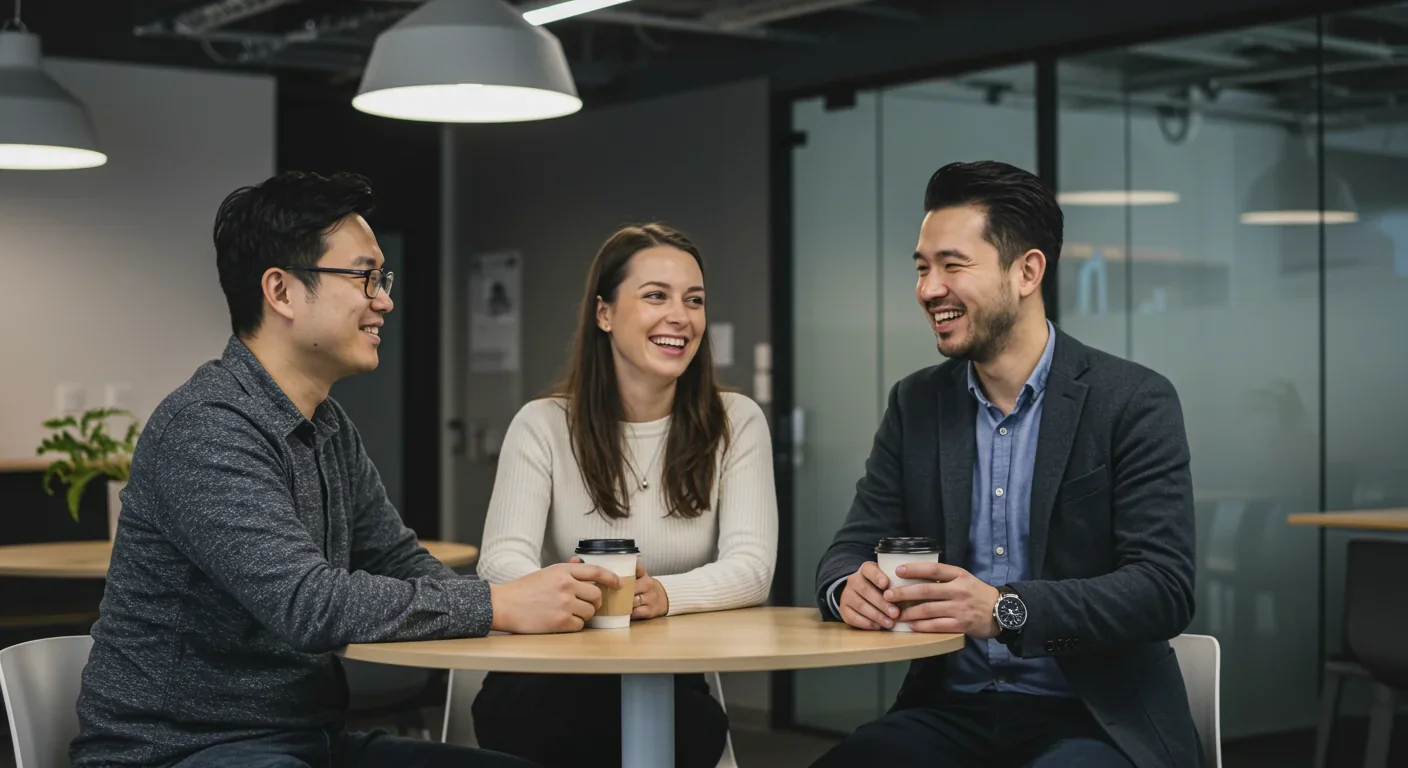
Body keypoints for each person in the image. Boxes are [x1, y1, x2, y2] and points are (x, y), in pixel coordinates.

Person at [71, 171, 620, 768]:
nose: (384, 299)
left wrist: (548, 596)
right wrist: (497, 605)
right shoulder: (206, 426)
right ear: (280, 291)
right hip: (180, 750)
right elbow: (308, 604)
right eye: (363, 277)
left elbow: (396, 559)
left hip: (313, 743)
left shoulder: (328, 426)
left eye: (381, 278)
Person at [810, 161, 1200, 768]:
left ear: (1027, 271)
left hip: (1094, 719)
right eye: (921, 267)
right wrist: (846, 590)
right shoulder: (917, 403)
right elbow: (849, 549)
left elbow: (1163, 590)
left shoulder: (1132, 400)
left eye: (952, 265)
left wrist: (1003, 611)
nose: (928, 288)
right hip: (950, 714)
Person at [471, 223, 778, 768]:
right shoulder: (542, 425)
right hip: (553, 675)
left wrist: (660, 595)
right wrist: (573, 594)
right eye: (655, 295)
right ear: (604, 314)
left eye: (694, 300)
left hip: (671, 682)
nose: (680, 316)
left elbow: (752, 568)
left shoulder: (737, 422)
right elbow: (500, 560)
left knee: (691, 728)